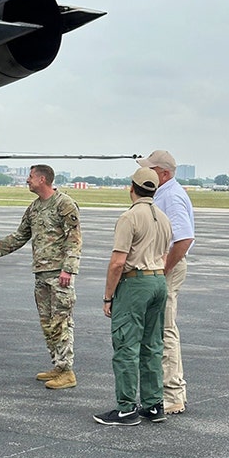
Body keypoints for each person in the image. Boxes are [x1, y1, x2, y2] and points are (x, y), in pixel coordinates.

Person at [0, 164, 82, 390]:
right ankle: (58, 364)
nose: (27, 180)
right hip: (41, 273)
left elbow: (74, 239)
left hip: (59, 274)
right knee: (47, 323)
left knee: (61, 322)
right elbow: (19, 236)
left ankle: (67, 372)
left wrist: (68, 269)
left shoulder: (64, 204)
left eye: (31, 177)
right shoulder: (34, 208)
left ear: (43, 179)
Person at [94, 167, 172, 425]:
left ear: (132, 188)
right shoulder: (163, 217)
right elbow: (164, 254)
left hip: (135, 284)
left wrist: (108, 297)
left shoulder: (129, 218)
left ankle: (126, 408)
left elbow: (118, 262)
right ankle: (153, 404)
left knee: (127, 345)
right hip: (159, 280)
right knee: (152, 345)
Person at [138, 149, 194, 415]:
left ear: (164, 173)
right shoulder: (164, 193)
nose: (146, 172)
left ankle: (172, 395)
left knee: (165, 329)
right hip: (163, 264)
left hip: (167, 265)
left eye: (151, 169)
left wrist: (164, 267)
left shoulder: (170, 196)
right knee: (161, 328)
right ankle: (166, 391)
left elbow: (184, 238)